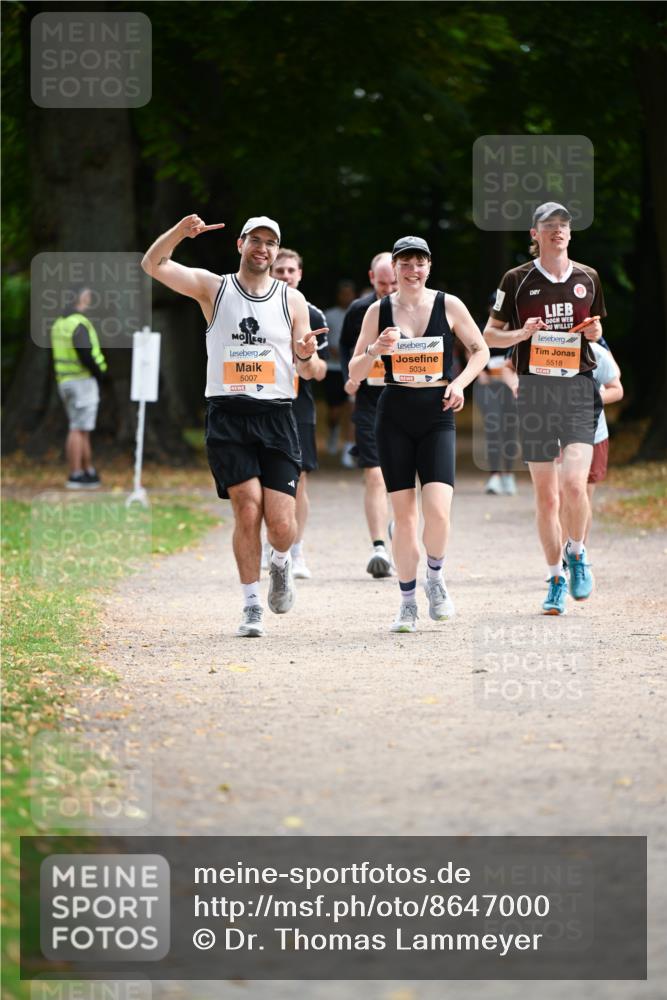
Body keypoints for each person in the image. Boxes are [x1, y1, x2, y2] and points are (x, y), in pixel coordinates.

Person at [141, 214, 325, 637]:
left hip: (277, 416)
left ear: (277, 250)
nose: (262, 248)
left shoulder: (292, 300)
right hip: (227, 414)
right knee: (247, 508)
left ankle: (280, 562)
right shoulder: (214, 287)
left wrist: (304, 355)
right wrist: (178, 234)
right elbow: (153, 265)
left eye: (271, 242)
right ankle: (250, 605)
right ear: (239, 244)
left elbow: (312, 370)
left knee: (281, 525)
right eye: (255, 240)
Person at [349, 236, 489, 632]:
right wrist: (376, 349)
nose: (413, 270)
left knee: (439, 511)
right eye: (405, 263)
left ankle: (436, 577)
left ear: (430, 266)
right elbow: (355, 373)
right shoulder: (379, 311)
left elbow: (480, 351)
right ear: (394, 269)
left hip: (437, 413)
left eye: (420, 263)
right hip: (392, 415)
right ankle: (407, 602)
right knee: (405, 518)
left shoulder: (449, 304)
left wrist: (459, 383)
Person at [484, 201, 606, 615]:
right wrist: (522, 332)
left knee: (574, 484)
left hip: (577, 390)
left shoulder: (588, 277)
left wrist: (593, 330)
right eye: (549, 225)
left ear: (570, 233)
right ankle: (555, 578)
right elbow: (489, 336)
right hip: (535, 391)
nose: (558, 230)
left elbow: (598, 327)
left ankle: (577, 553)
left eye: (564, 224)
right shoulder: (516, 280)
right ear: (534, 234)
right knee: (547, 498)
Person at [269, 248, 329, 579]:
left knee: (300, 478)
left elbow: (320, 371)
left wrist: (307, 360)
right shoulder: (258, 308)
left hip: (299, 404)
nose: (286, 276)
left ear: (300, 274)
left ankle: (297, 549)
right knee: (266, 479)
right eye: (280, 271)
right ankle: (272, 544)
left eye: (291, 270)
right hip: (263, 402)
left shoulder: (313, 315)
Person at [339, 252, 397, 578]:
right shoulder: (360, 310)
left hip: (404, 399)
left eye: (393, 283)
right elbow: (348, 347)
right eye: (382, 283)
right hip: (369, 402)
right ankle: (379, 548)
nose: (388, 290)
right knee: (374, 474)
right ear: (372, 278)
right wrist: (351, 378)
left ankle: (395, 523)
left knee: (402, 479)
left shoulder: (412, 307)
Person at [558, 342, 623, 548]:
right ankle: (562, 558)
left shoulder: (596, 352)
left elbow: (617, 390)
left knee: (582, 495)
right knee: (562, 497)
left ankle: (579, 553)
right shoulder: (546, 348)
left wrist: (590, 398)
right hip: (556, 435)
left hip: (595, 435)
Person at [50, 286, 108, 489]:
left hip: (65, 381)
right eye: (87, 298)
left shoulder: (59, 323)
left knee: (81, 427)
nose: (89, 302)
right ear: (80, 299)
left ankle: (87, 471)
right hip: (82, 381)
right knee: (77, 428)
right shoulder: (78, 323)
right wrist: (99, 373)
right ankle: (76, 474)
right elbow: (85, 354)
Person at [324, 279, 356, 460]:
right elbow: (322, 339)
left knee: (351, 409)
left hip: (351, 370)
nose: (346, 297)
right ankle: (333, 430)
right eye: (343, 294)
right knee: (334, 412)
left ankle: (348, 448)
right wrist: (331, 349)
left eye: (349, 293)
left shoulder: (358, 313)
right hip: (333, 369)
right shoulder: (329, 315)